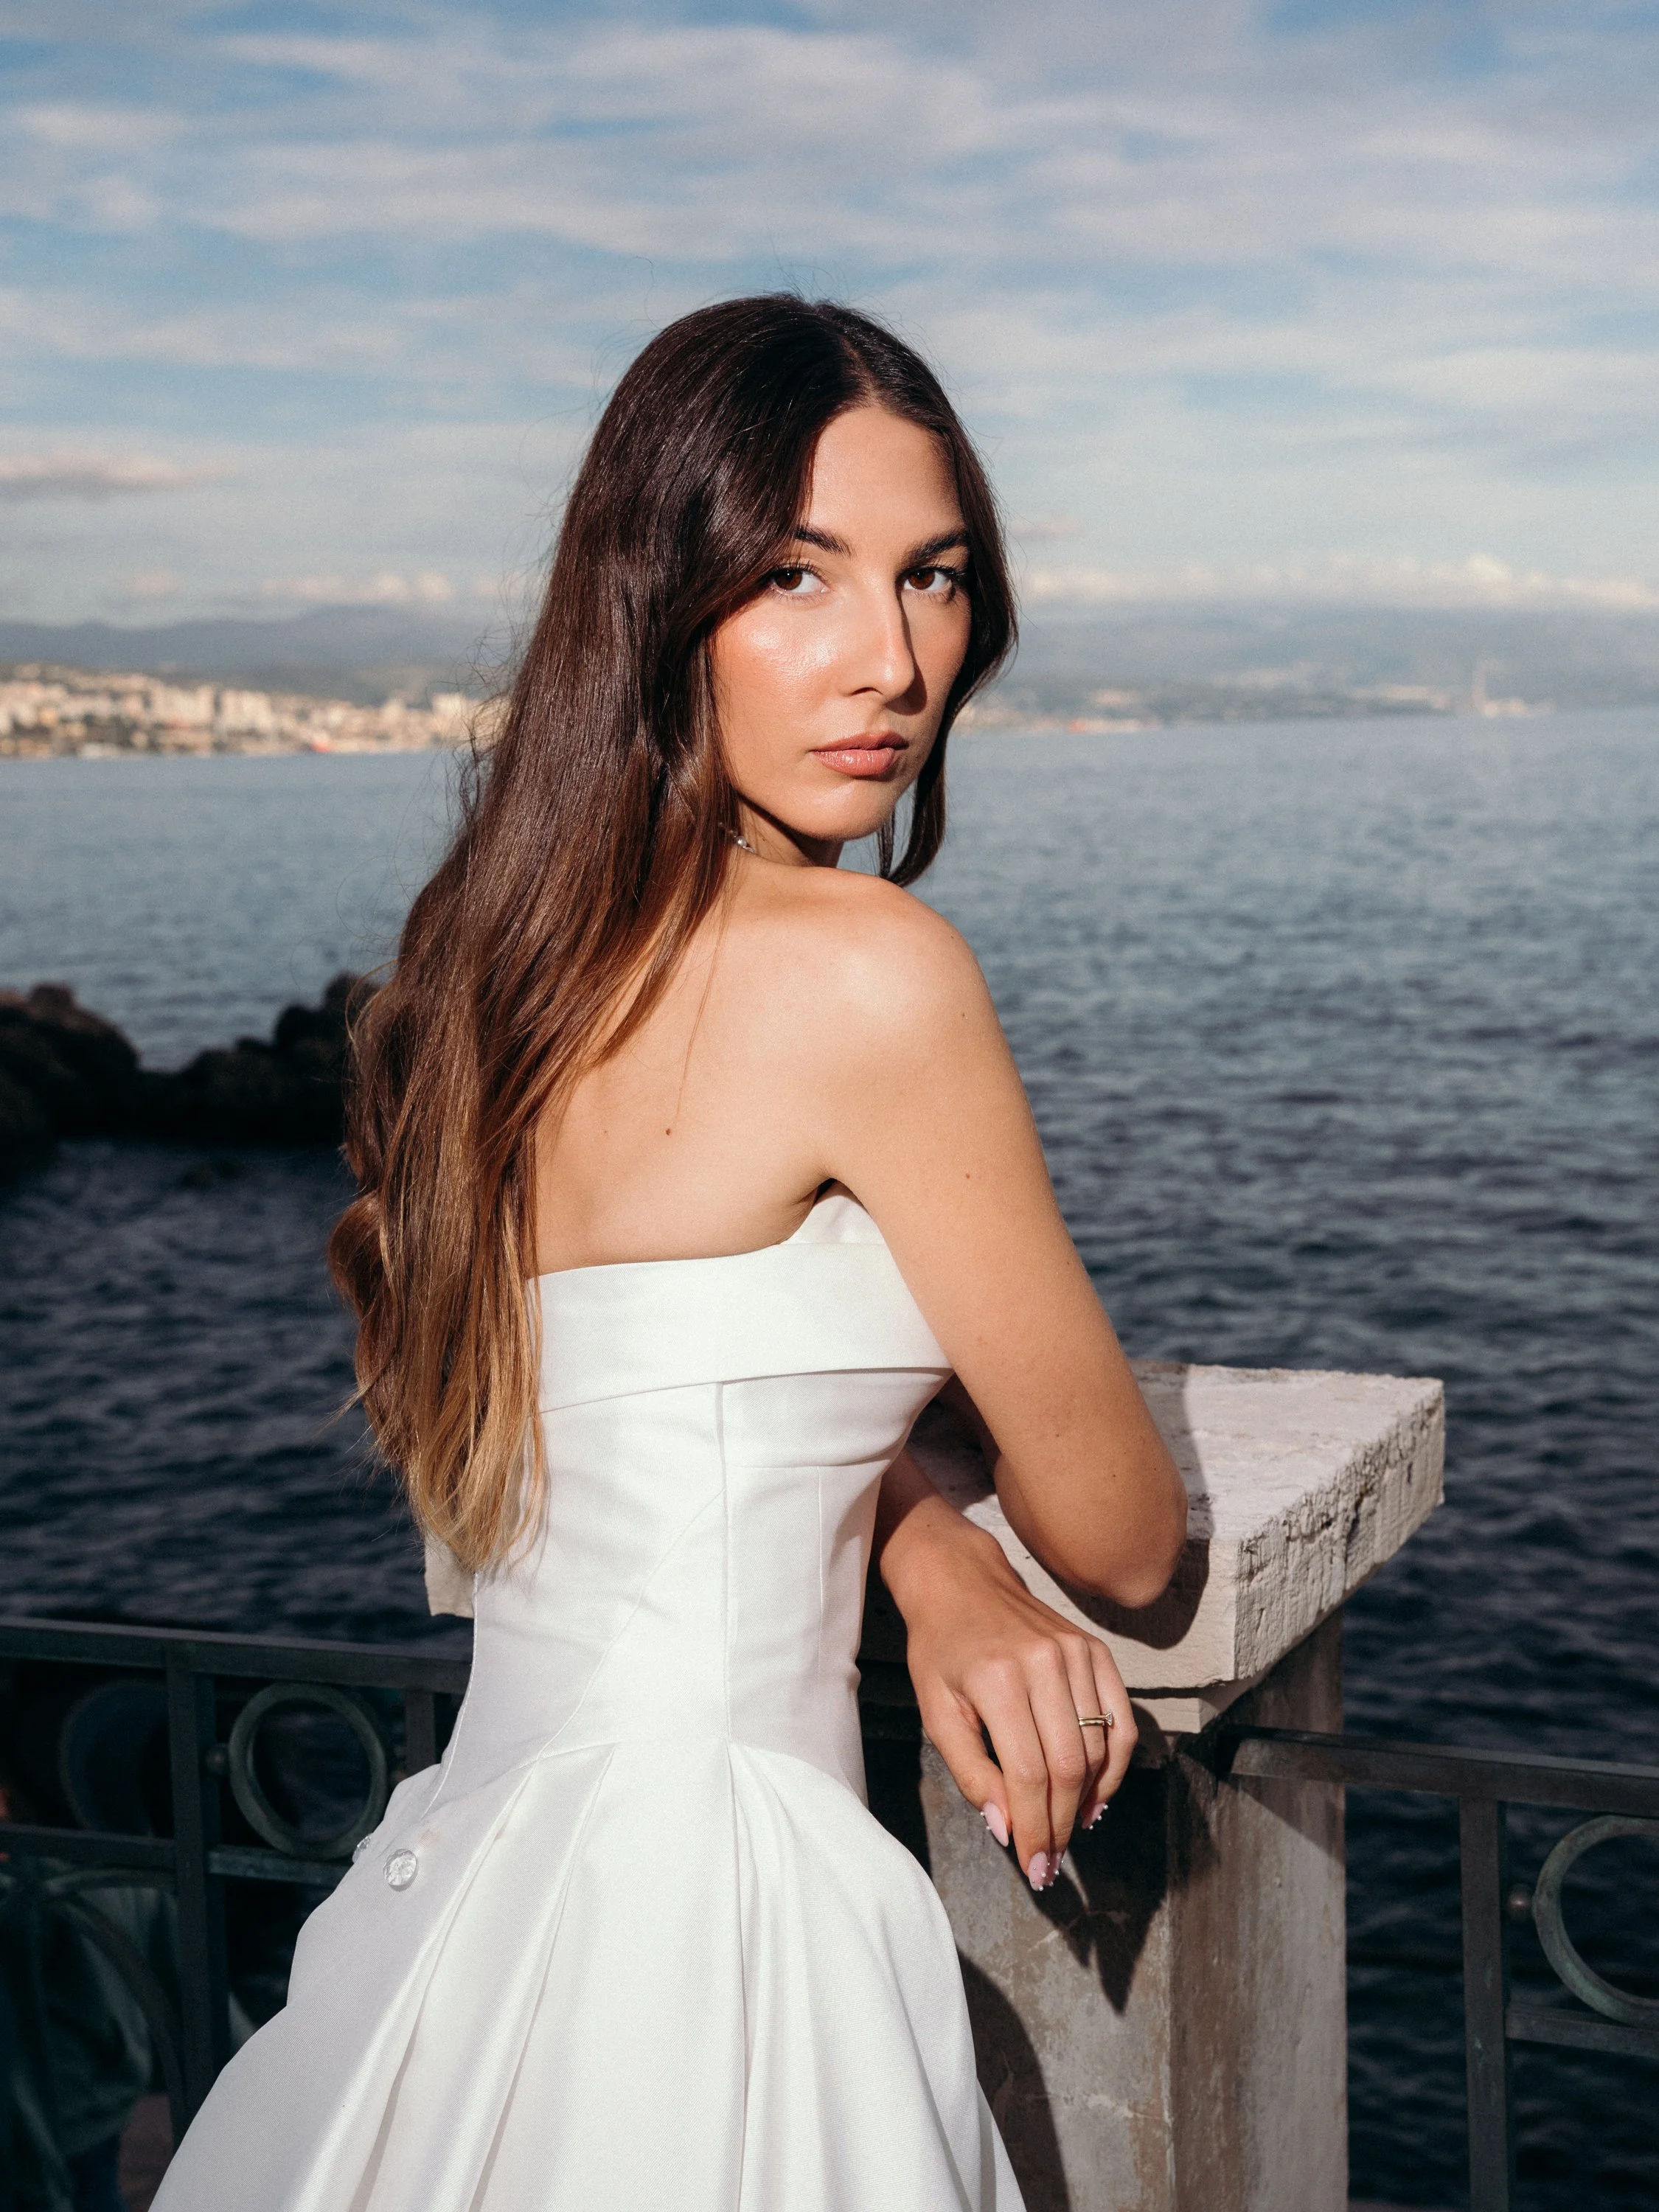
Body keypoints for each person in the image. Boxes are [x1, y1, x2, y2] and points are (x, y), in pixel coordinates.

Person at [153, 295, 1188, 2211]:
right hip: (717, 1923)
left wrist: (908, 1530)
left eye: (935, 578)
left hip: (479, 1893)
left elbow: (636, 1403)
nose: (892, 658)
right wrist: (952, 1524)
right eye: (799, 576)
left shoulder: (486, 983)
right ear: (660, 604)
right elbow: (1127, 1538)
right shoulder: (875, 979)